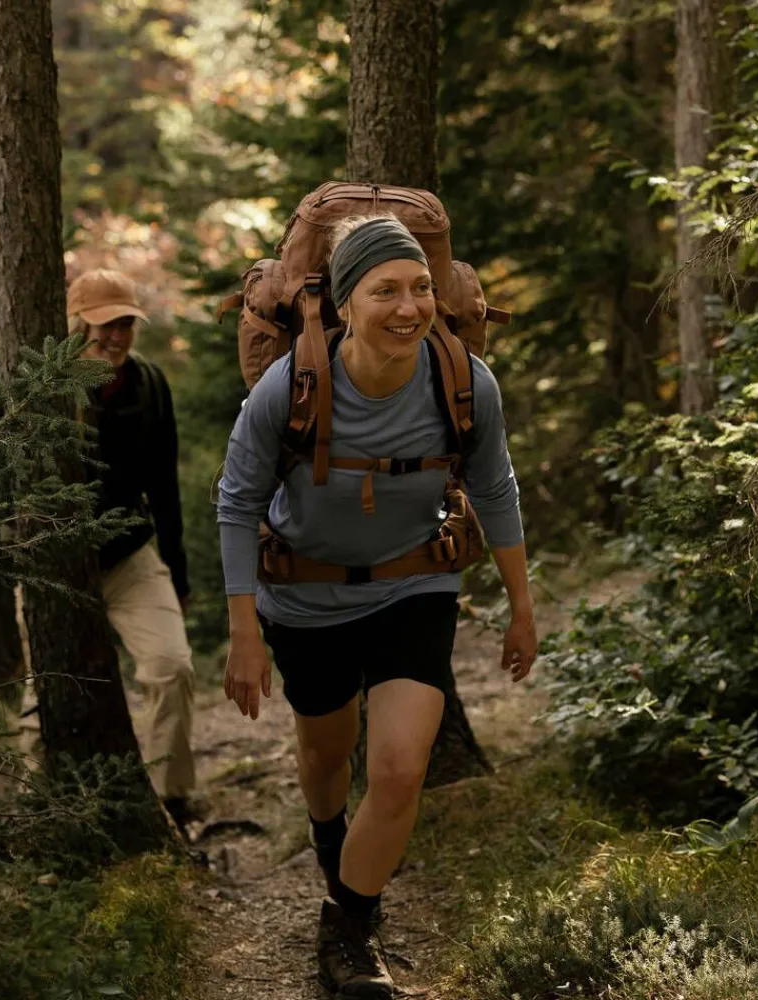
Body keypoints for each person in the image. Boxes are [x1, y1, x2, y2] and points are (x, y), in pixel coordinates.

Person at [216, 216, 538, 998]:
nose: (408, 307)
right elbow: (237, 500)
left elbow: (495, 488)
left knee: (398, 768)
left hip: (412, 586)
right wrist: (243, 630)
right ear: (345, 303)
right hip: (305, 595)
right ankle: (331, 845)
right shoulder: (290, 384)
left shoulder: (463, 381)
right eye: (385, 290)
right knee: (327, 756)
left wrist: (522, 604)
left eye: (421, 287)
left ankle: (350, 930)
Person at [64, 267, 197, 829]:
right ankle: (45, 813)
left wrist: (179, 576)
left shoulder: (148, 383)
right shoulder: (47, 386)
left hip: (131, 555)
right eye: (104, 325)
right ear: (77, 325)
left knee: (172, 666)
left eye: (125, 324)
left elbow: (164, 487)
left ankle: (172, 803)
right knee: (45, 693)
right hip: (57, 566)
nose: (116, 337)